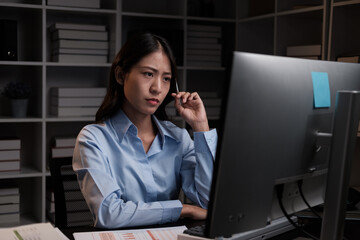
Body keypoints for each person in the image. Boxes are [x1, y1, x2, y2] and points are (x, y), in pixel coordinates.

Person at [73, 33, 217, 229]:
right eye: (148, 74)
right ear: (121, 76)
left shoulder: (178, 138)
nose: (157, 88)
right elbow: (108, 213)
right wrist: (182, 209)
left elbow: (209, 203)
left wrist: (201, 127)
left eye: (166, 79)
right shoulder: (93, 139)